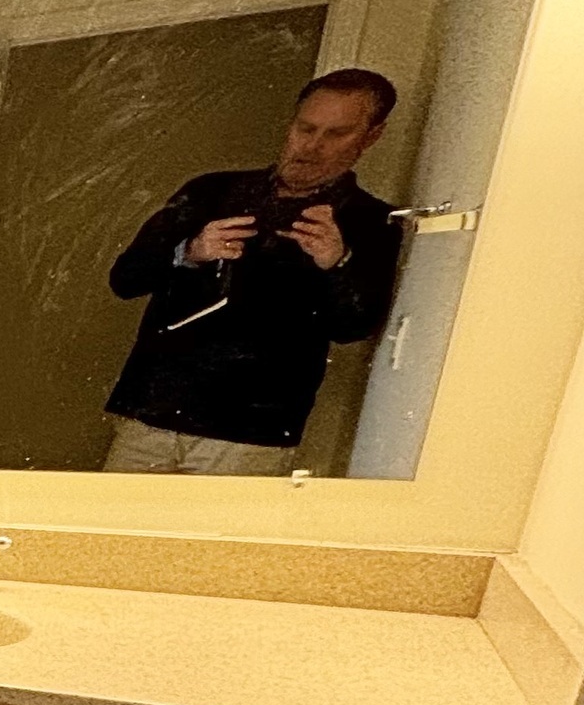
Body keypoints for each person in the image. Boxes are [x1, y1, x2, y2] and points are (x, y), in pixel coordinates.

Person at [100, 68, 408, 474]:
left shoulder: (371, 220)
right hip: (150, 414)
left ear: (371, 137)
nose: (312, 146)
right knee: (117, 518)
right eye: (305, 128)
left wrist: (339, 262)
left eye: (336, 134)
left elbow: (355, 327)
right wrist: (189, 251)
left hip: (251, 432)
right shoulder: (211, 192)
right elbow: (125, 279)